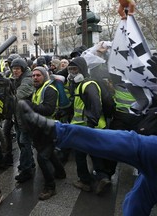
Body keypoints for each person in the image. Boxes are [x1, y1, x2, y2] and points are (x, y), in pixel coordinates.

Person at [18, 99, 157, 216]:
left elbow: (129, 143)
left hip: (89, 125)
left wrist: (55, 130)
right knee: (136, 200)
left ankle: (97, 175)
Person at [67, 56, 111, 194]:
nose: (72, 73)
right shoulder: (81, 84)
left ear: (83, 70)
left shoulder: (88, 84)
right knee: (94, 153)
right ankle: (102, 177)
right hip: (86, 126)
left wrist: (90, 125)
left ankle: (85, 181)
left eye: (75, 69)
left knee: (80, 156)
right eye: (70, 69)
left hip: (87, 126)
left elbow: (96, 106)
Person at [24, 66, 66, 200]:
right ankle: (60, 172)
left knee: (42, 157)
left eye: (38, 75)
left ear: (45, 76)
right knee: (49, 153)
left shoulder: (50, 89)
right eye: (33, 76)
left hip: (49, 129)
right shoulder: (38, 89)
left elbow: (48, 109)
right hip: (40, 129)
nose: (35, 78)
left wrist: (30, 106)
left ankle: (50, 187)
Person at [11, 57, 35, 183]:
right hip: (19, 117)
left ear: (23, 69)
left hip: (25, 118)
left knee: (24, 143)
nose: (15, 71)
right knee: (22, 143)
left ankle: (27, 171)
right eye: (13, 68)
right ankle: (29, 163)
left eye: (17, 69)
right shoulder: (17, 79)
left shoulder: (27, 80)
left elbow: (18, 96)